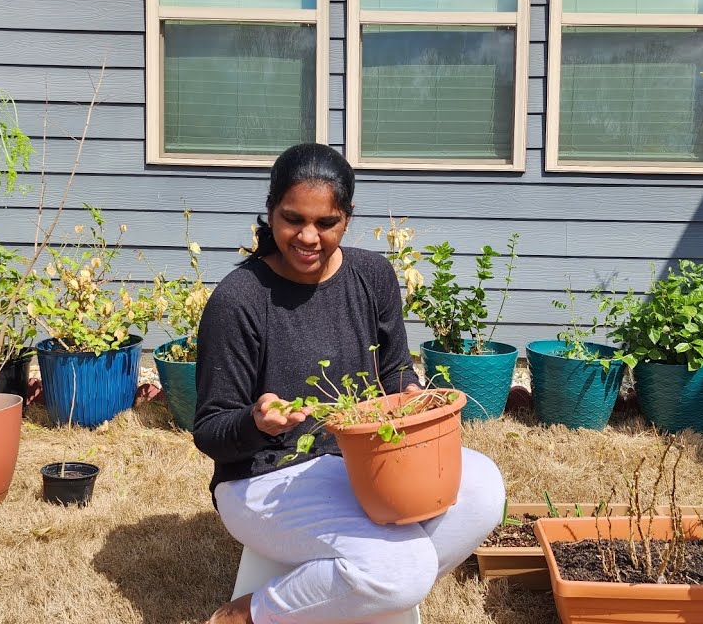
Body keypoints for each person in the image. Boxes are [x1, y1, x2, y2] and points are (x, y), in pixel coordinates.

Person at [194, 143, 505, 624]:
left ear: (348, 217)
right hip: (264, 479)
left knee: (484, 487)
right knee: (404, 566)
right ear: (271, 210)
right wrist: (258, 422)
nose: (307, 237)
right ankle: (251, 614)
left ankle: (366, 596)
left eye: (326, 223)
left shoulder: (372, 276)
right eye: (292, 218)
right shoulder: (240, 300)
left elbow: (396, 372)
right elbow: (211, 431)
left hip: (361, 460)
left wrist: (414, 399)